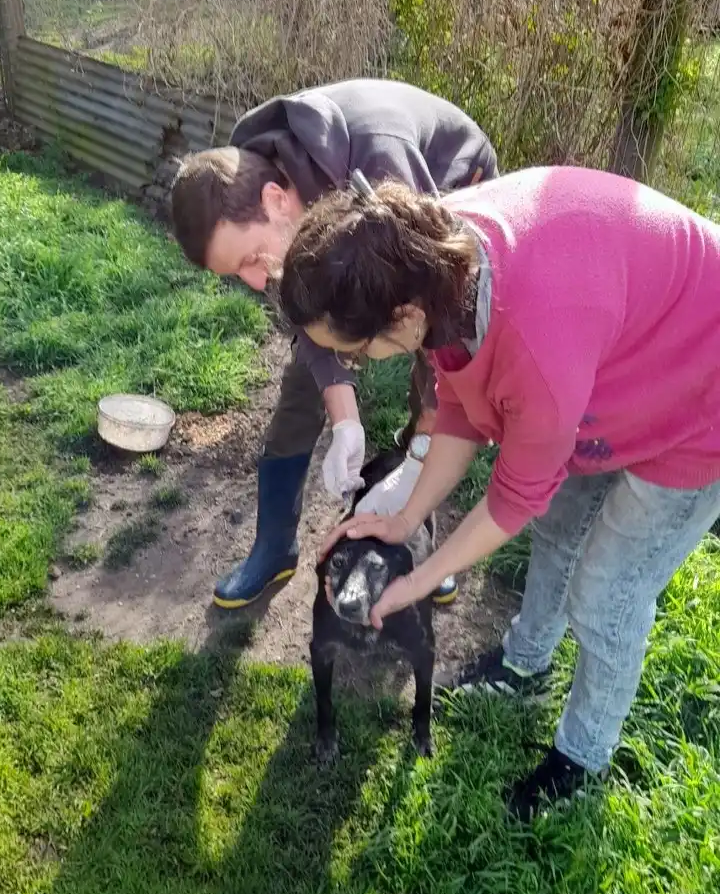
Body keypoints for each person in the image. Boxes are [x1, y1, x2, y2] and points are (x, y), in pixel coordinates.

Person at [278, 166, 720, 819]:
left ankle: (585, 756)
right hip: (611, 351)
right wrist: (404, 517)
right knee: (562, 527)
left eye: (353, 351)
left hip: (702, 387)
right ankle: (524, 665)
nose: (355, 365)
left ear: (401, 316)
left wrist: (421, 578)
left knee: (607, 591)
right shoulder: (424, 256)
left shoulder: (535, 342)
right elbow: (458, 403)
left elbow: (513, 498)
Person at [170, 79, 498, 608]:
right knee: (302, 387)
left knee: (435, 373)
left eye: (253, 258)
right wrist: (345, 418)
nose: (257, 282)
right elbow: (308, 320)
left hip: (443, 197)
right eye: (239, 274)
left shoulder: (379, 161)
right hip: (360, 228)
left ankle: (417, 537)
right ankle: (273, 548)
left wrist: (423, 450)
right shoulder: (247, 178)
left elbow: (434, 295)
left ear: (276, 199)